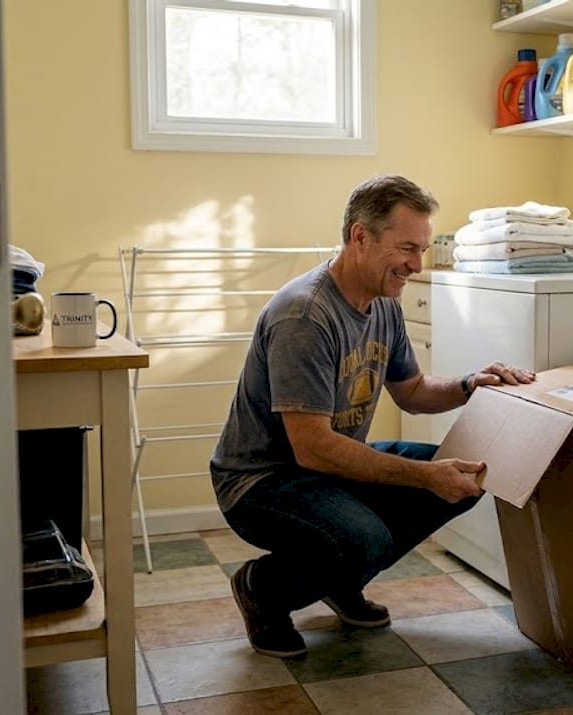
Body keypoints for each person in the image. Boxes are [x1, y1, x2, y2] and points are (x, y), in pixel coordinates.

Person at [209, 175, 536, 658]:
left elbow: (413, 391)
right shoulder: (304, 316)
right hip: (261, 481)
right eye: (406, 248)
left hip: (324, 469)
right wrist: (424, 476)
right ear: (360, 237)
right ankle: (263, 589)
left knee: (466, 477)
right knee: (367, 538)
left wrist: (471, 385)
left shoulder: (383, 303)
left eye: (421, 249)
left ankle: (338, 577)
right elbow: (313, 448)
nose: (417, 265)